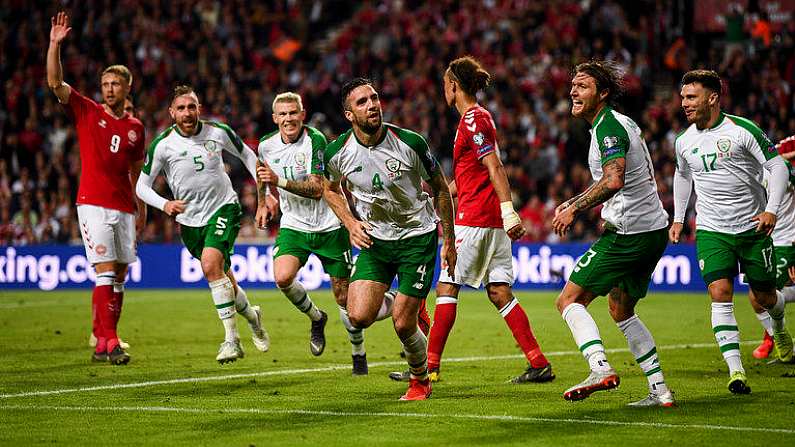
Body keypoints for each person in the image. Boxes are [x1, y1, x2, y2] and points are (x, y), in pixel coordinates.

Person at [418, 56, 554, 384]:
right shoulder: (476, 118)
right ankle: (539, 363)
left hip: (476, 219)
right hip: (487, 219)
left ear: (453, 86)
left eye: (445, 84)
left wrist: (510, 211)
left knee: (447, 284)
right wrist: (439, 194)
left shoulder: (473, 120)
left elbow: (495, 166)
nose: (443, 90)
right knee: (499, 291)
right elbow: (470, 176)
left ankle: (427, 368)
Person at [322, 78, 456, 400]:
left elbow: (440, 187)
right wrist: (350, 222)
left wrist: (448, 240)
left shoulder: (410, 142)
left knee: (402, 324)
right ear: (349, 114)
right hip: (375, 240)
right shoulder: (337, 152)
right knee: (358, 316)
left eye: (375, 98)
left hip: (416, 238)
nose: (372, 105)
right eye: (362, 102)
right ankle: (400, 300)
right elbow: (328, 188)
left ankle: (420, 380)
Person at [551, 60, 674, 406]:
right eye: (573, 85)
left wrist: (575, 208)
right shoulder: (618, 124)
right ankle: (660, 391)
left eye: (583, 86)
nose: (573, 91)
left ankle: (600, 367)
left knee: (568, 301)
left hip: (629, 234)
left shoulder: (608, 128)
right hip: (653, 230)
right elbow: (613, 179)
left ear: (602, 93)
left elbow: (614, 179)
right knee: (621, 311)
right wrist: (572, 201)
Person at [671, 69, 793, 394]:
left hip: (752, 228)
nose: (684, 103)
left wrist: (772, 209)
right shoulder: (684, 141)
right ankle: (736, 371)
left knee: (765, 297)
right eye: (683, 97)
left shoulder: (742, 131)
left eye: (691, 96)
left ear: (713, 97)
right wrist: (679, 218)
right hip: (712, 229)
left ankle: (779, 329)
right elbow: (682, 177)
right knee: (720, 293)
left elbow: (777, 165)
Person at [136, 85, 269, 364]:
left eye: (192, 106)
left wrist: (263, 194)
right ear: (172, 113)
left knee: (210, 266)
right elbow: (141, 187)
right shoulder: (163, 145)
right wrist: (165, 204)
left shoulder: (218, 132)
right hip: (189, 221)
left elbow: (248, 155)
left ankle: (232, 340)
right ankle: (252, 316)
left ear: (199, 108)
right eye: (181, 108)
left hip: (224, 208)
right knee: (223, 278)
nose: (187, 112)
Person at [256, 91, 386, 374]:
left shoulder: (315, 141)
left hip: (330, 225)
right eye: (283, 114)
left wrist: (279, 182)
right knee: (282, 276)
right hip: (294, 225)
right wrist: (263, 200)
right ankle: (316, 318)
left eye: (294, 113)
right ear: (275, 118)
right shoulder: (266, 145)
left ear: (302, 115)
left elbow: (317, 190)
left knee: (343, 297)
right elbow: (261, 170)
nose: (289, 119)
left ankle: (358, 353)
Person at [47, 12, 145, 365]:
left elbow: (137, 174)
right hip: (94, 203)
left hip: (124, 208)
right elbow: (56, 83)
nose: (108, 89)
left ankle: (105, 344)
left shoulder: (136, 128)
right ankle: (109, 339)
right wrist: (55, 44)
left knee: (119, 275)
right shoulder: (87, 110)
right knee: (105, 269)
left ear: (127, 88)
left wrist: (141, 209)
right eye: (105, 84)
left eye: (115, 84)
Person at [750, 134, 795, 359]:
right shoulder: (756, 170)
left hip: (788, 241)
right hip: (766, 240)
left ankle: (774, 340)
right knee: (758, 296)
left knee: (762, 295)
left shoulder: (784, 168)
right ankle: (776, 336)